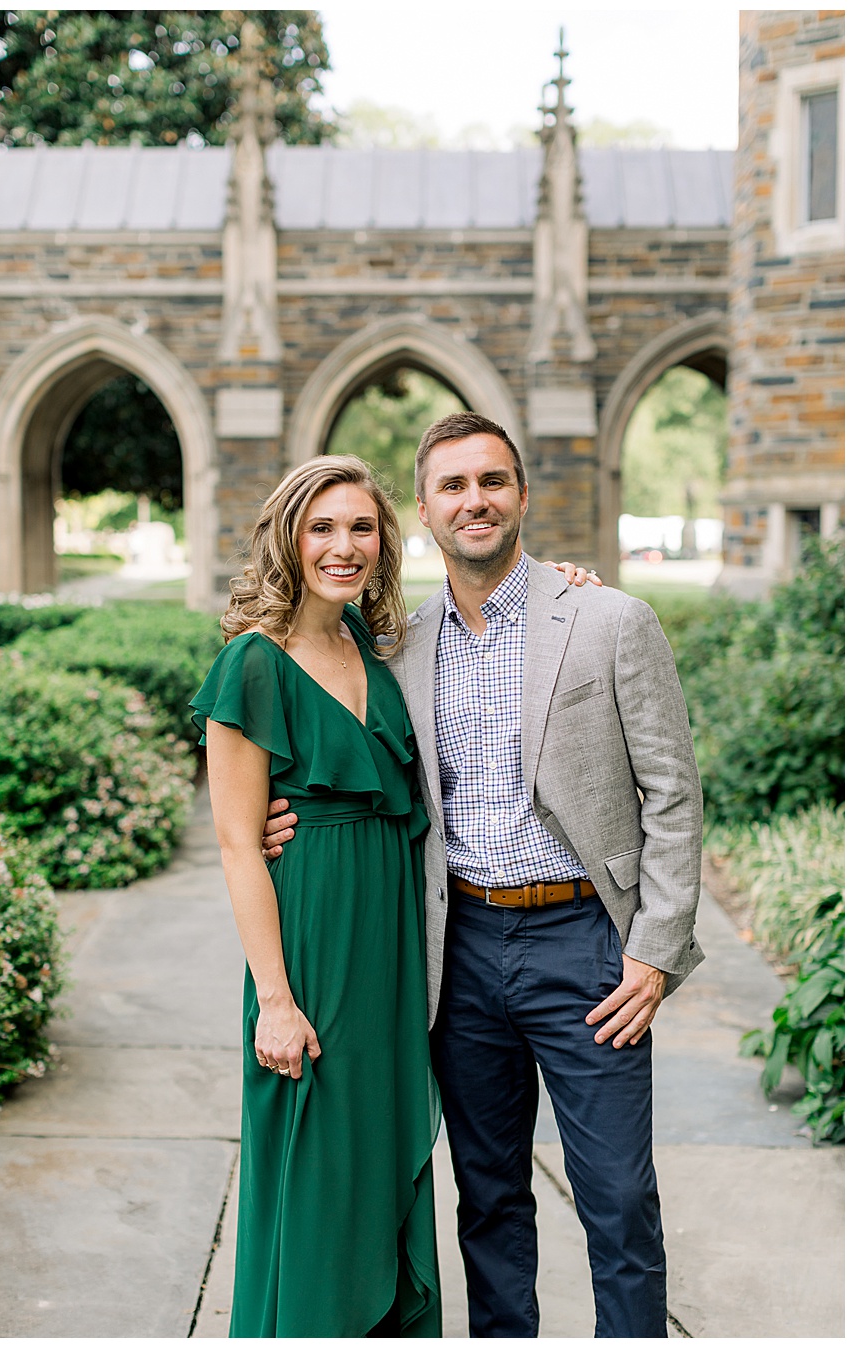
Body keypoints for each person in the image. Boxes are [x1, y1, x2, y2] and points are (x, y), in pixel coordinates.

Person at [265, 411, 704, 1337]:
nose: (476, 500)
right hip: (456, 952)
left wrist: (655, 952)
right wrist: (280, 823)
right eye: (453, 486)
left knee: (620, 1201)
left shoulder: (608, 619)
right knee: (490, 1202)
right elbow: (350, 770)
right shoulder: (398, 651)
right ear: (423, 513)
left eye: (492, 481)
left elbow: (672, 795)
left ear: (522, 495)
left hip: (589, 949)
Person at [189, 454, 442, 1337]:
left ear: (384, 541)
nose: (344, 546)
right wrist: (275, 1001)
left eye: (362, 527)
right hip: (313, 950)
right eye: (323, 527)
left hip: (392, 952)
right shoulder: (252, 664)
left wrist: (572, 578)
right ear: (289, 539)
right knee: (315, 1173)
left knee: (379, 1166)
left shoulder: (379, 649)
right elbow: (234, 841)